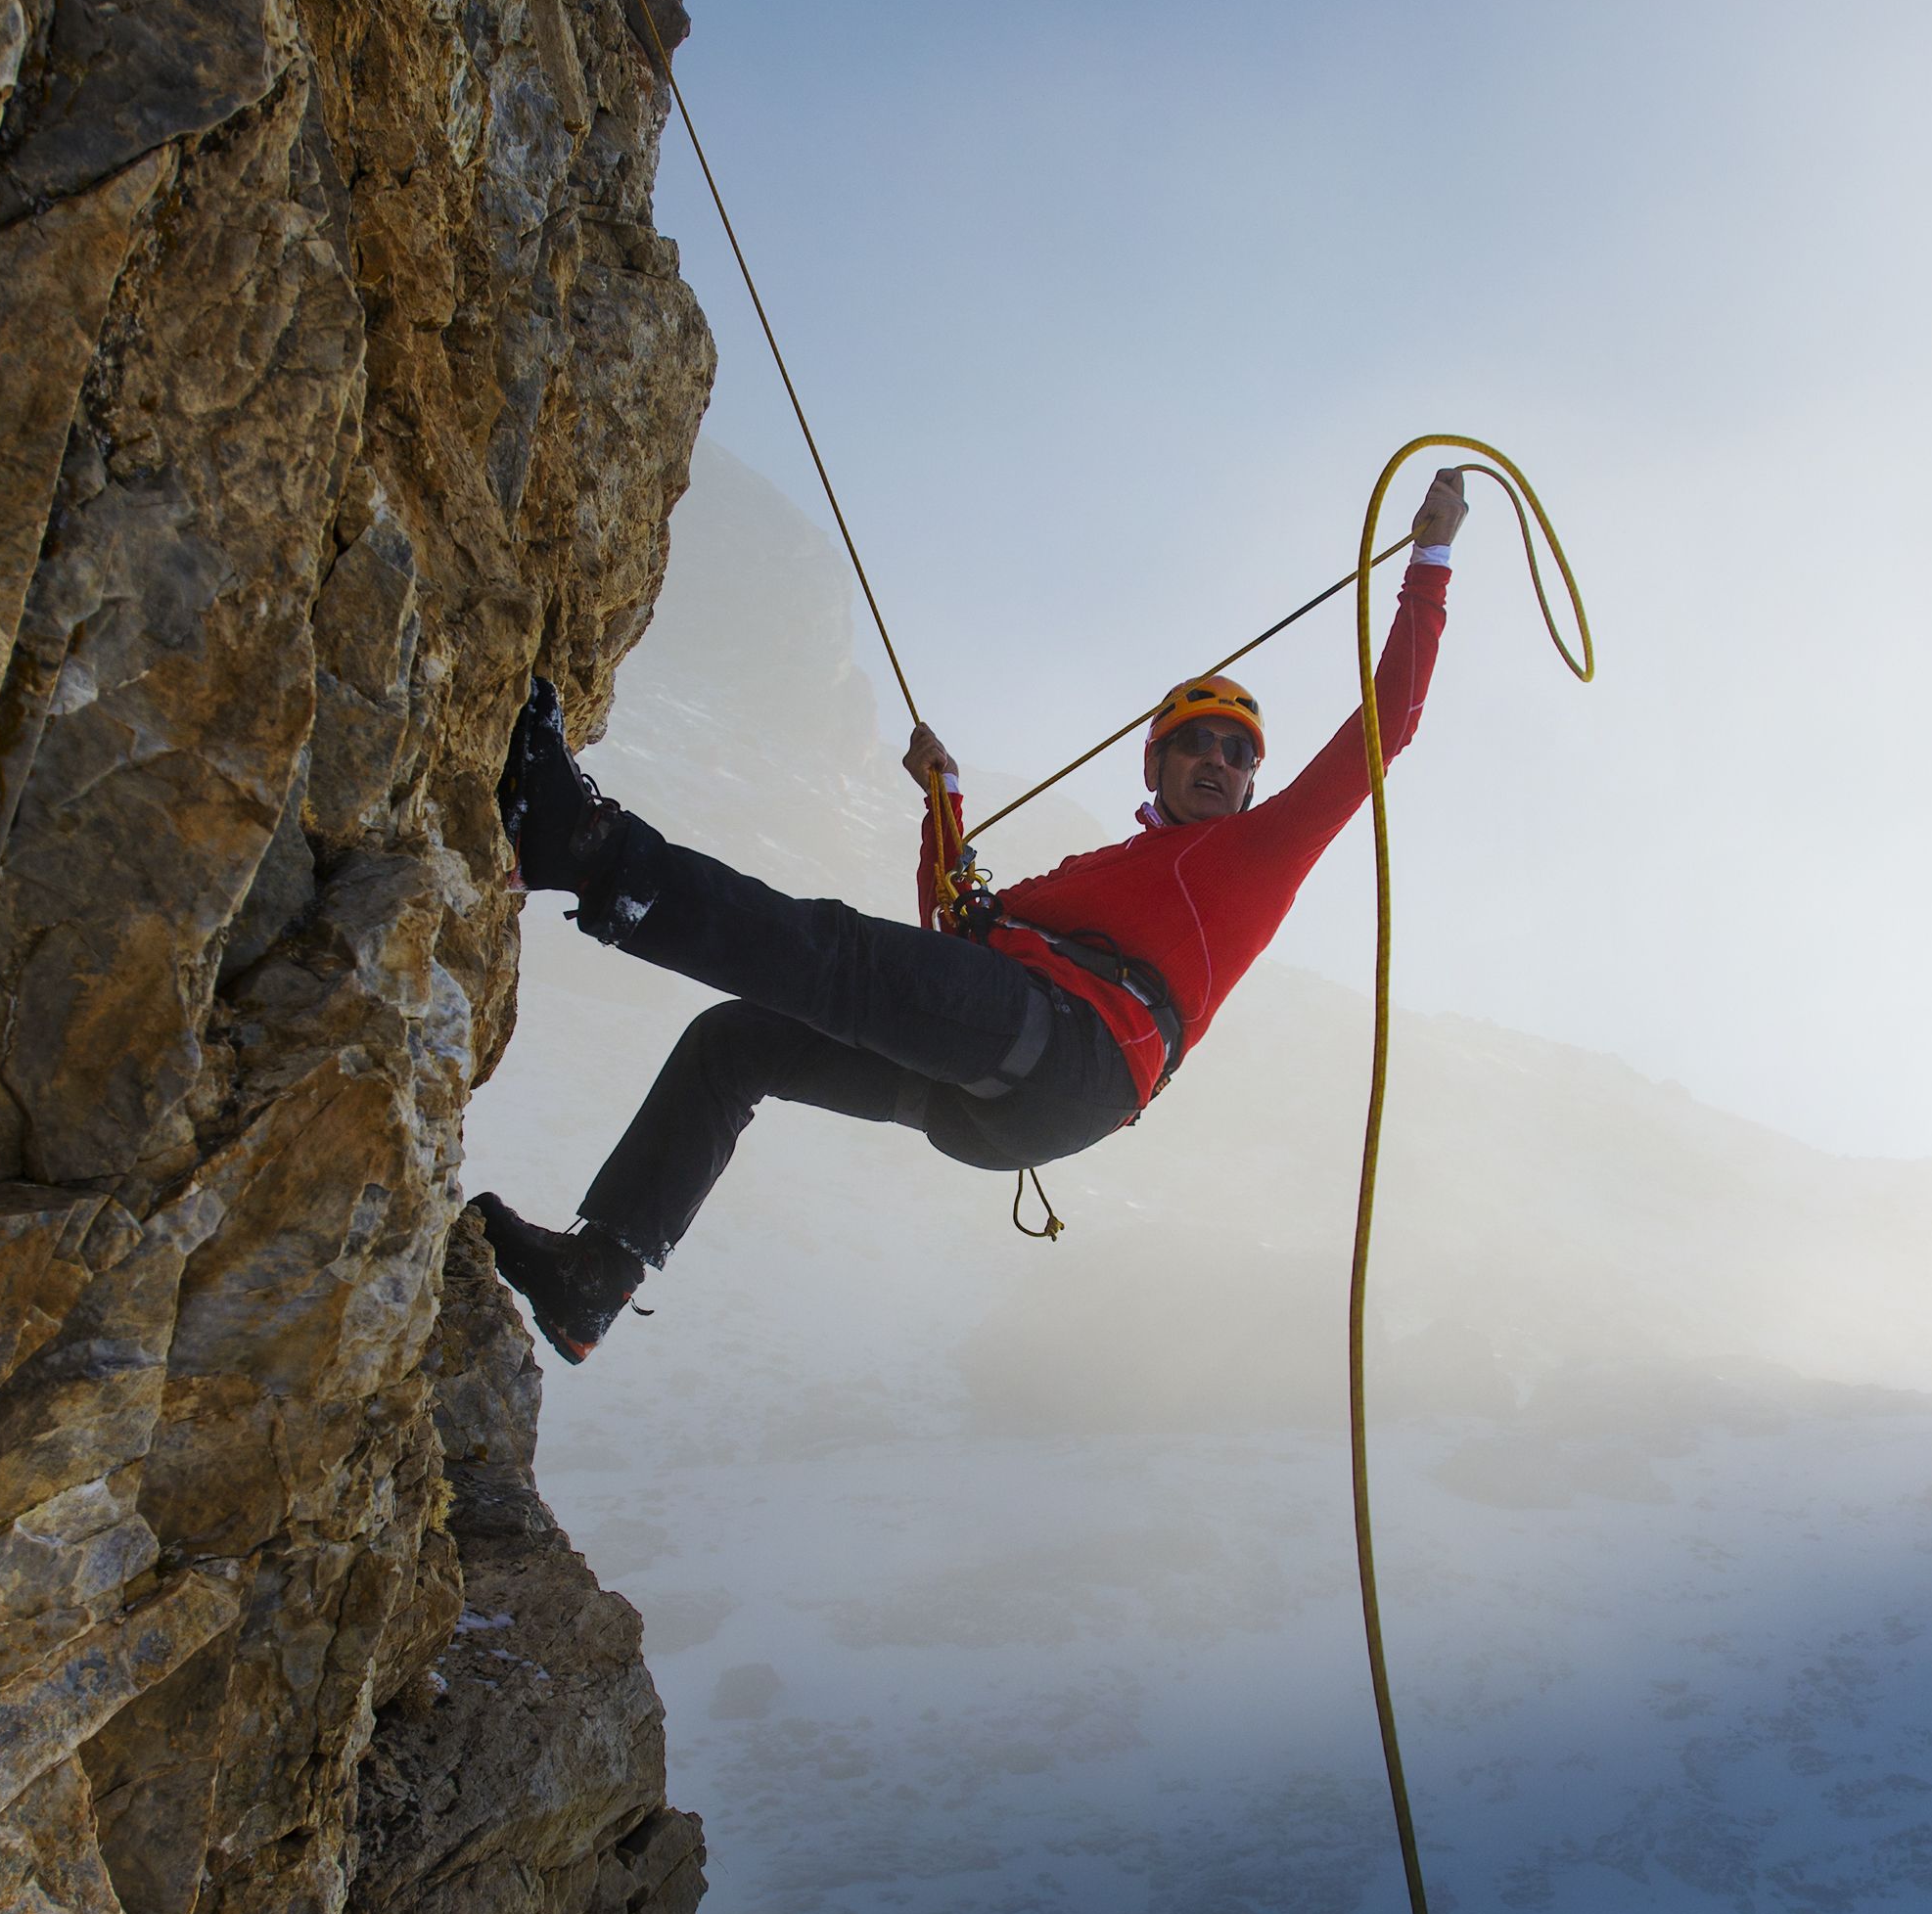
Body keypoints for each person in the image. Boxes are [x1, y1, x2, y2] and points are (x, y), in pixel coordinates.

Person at [462, 469, 1472, 1360]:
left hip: (1076, 1048)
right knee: (740, 1043)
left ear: (1255, 783)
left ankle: (576, 847)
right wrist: (940, 800)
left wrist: (1430, 555)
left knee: (838, 959)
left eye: (1238, 751)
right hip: (1016, 1092)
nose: (1219, 760)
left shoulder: (1258, 852)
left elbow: (1387, 725)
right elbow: (958, 940)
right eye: (1197, 743)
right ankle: (600, 1273)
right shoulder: (1100, 873)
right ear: (1157, 764)